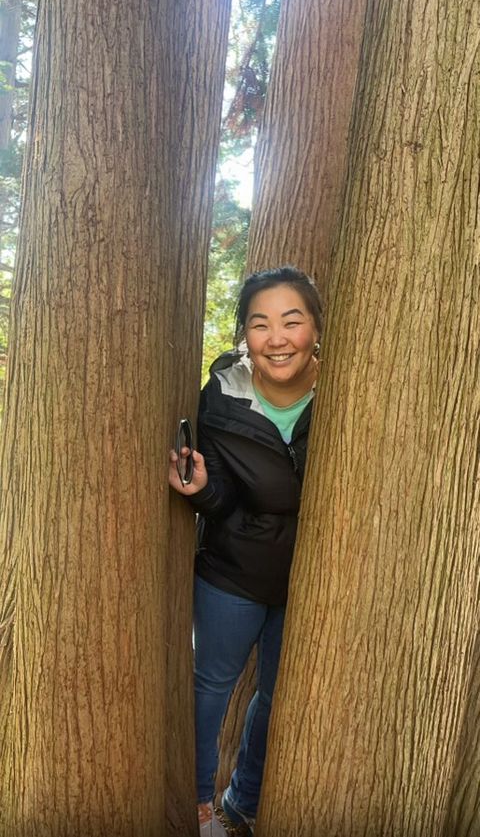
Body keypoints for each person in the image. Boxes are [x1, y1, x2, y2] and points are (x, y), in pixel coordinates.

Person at [169, 266, 322, 837]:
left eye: (292, 321)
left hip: (314, 575)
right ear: (245, 335)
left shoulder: (346, 391)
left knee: (280, 693)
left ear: (315, 329)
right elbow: (224, 495)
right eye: (260, 324)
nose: (277, 338)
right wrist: (201, 487)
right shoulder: (224, 396)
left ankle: (245, 800)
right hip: (232, 571)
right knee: (210, 684)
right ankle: (199, 803)